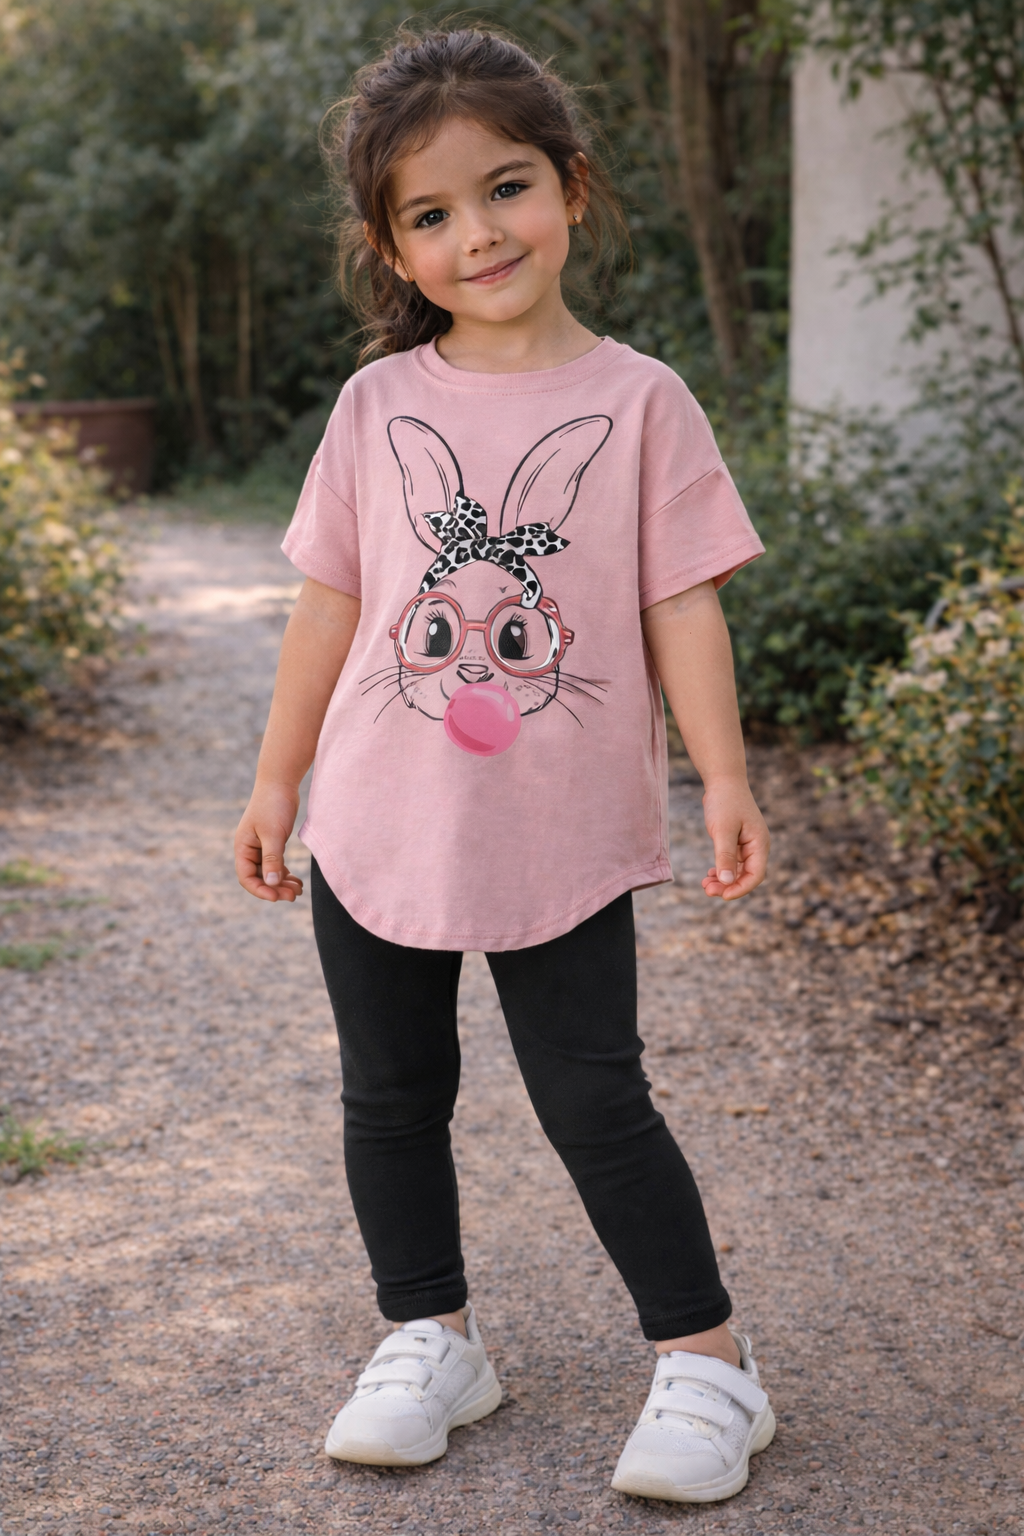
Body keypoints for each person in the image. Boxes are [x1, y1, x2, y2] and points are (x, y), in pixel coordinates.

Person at [234, 25, 775, 1507]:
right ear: (390, 246)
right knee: (390, 1094)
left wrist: (724, 778)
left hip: (562, 832)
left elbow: (682, 604)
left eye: (507, 188)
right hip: (376, 818)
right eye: (431, 212)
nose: (477, 233)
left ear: (571, 187)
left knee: (595, 1098)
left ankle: (710, 1363)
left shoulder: (643, 400)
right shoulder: (376, 409)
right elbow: (331, 606)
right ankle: (431, 1337)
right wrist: (278, 782)